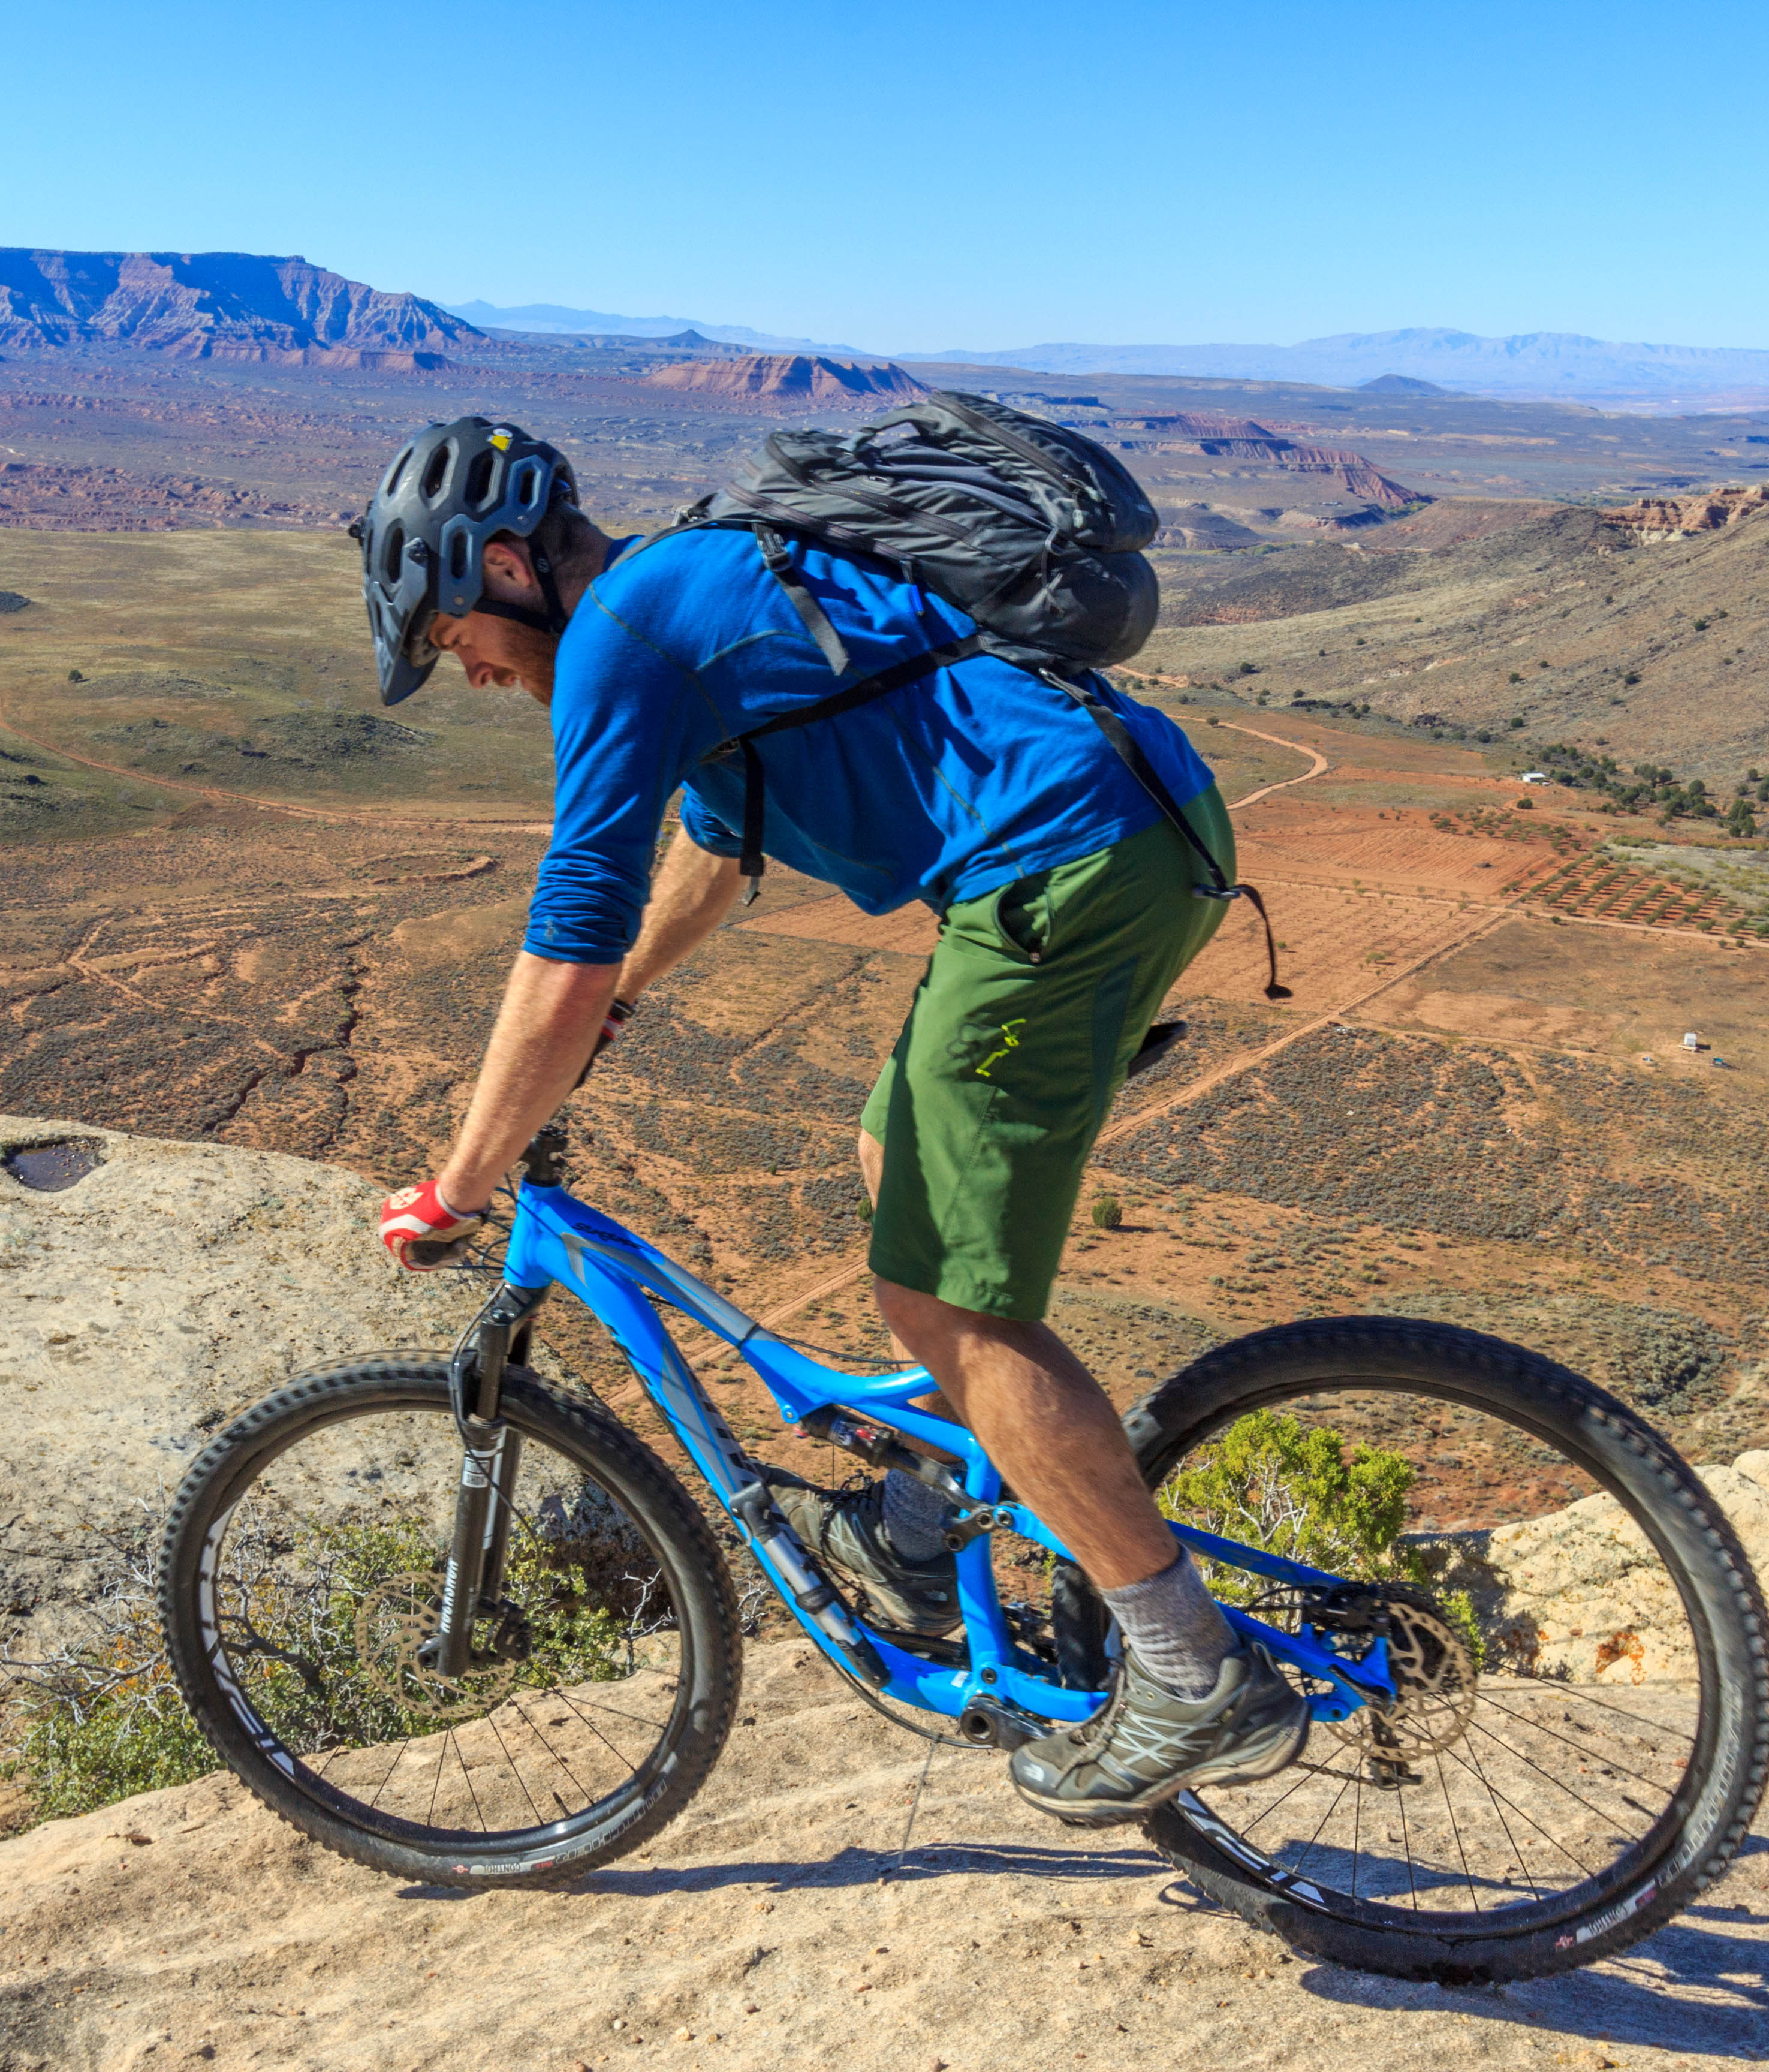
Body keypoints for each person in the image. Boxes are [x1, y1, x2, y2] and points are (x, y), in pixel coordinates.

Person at [355, 417, 1306, 1821]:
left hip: (1066, 871)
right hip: (1129, 832)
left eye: (450, 638)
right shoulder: (687, 583)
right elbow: (717, 849)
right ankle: (926, 1524)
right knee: (891, 1161)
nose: (472, 672)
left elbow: (567, 925)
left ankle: (1187, 1672)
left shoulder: (621, 630)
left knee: (947, 1303)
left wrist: (461, 1179)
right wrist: (617, 1004)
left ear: (502, 565)